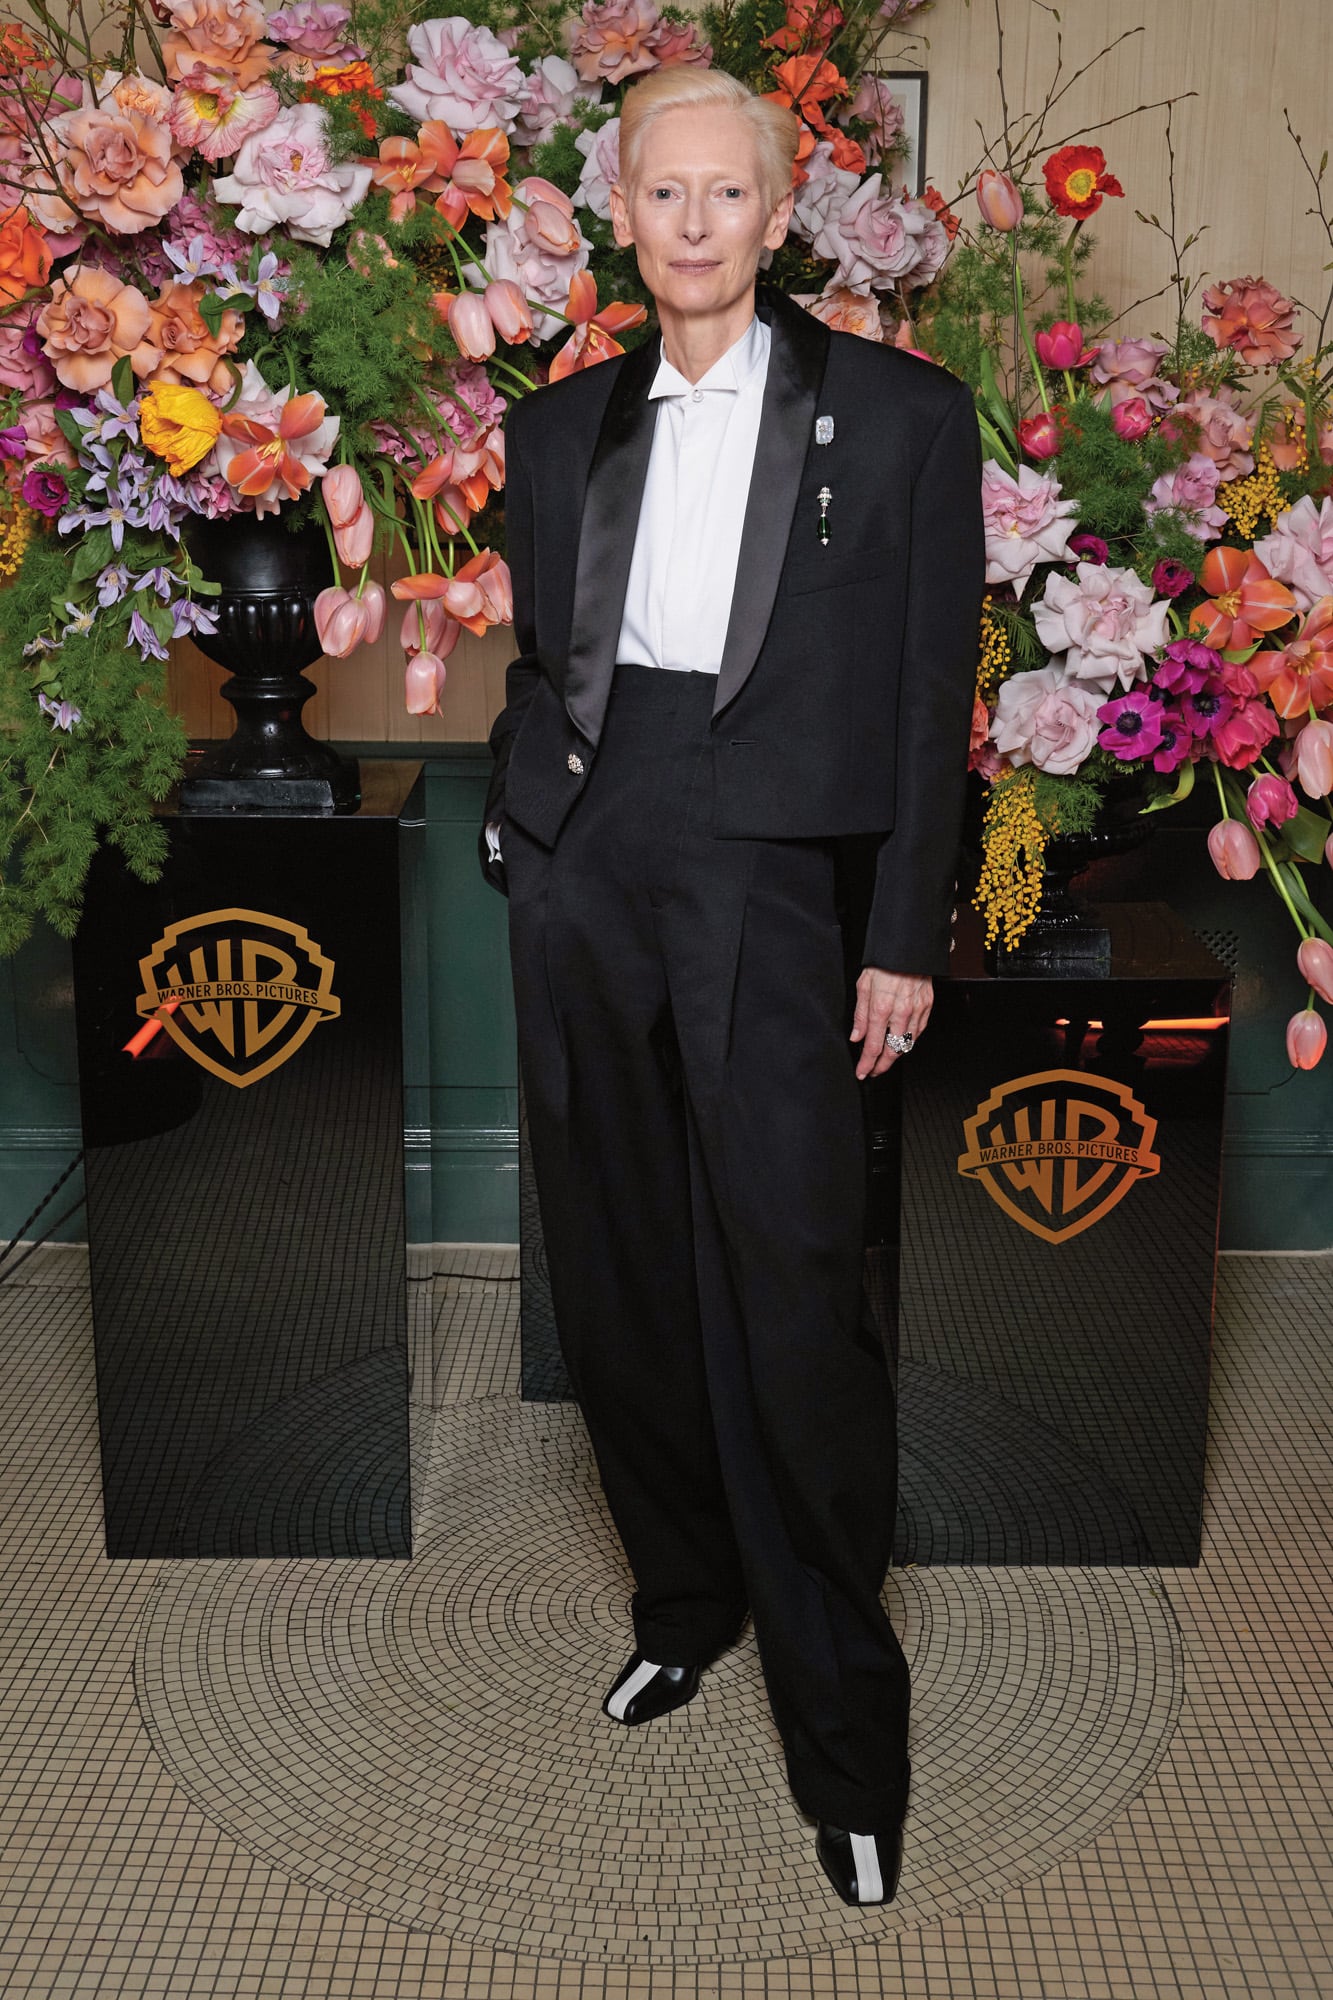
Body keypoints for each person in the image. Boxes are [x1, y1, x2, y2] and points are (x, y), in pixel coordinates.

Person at [479, 62, 984, 1907]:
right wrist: (528, 835)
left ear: (779, 218)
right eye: (659, 193)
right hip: (592, 869)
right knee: (613, 1267)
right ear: (621, 214)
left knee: (788, 1301)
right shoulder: (553, 433)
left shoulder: (908, 420)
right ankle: (684, 1604)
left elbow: (931, 702)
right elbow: (548, 661)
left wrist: (904, 932)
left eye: (726, 195)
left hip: (783, 888)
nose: (692, 223)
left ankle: (848, 1736)